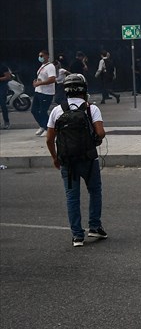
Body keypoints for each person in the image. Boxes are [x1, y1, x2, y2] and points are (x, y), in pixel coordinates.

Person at [44, 73, 105, 247]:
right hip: (88, 160)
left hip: (67, 162)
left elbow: (49, 139)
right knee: (94, 191)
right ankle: (95, 226)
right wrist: (95, 141)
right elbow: (100, 133)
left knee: (72, 197)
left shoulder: (57, 110)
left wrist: (55, 158)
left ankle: (77, 236)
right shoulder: (90, 108)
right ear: (84, 89)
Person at [31, 49, 58, 136]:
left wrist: (40, 83)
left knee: (43, 111)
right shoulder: (42, 66)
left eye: (42, 56)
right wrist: (36, 82)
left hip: (46, 93)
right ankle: (42, 125)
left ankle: (48, 128)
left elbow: (52, 79)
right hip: (38, 91)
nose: (40, 57)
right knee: (34, 110)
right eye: (39, 56)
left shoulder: (50, 66)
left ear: (47, 56)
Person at [0, 61, 11, 129]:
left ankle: (6, 122)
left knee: (3, 104)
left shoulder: (3, 67)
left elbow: (8, 77)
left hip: (2, 86)